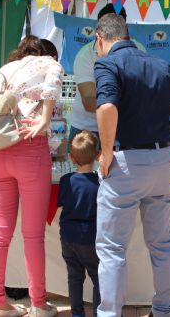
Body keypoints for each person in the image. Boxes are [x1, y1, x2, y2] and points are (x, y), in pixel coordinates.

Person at [93, 14, 170, 317]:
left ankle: (109, 314)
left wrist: (105, 153)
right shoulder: (160, 65)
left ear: (100, 39)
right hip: (160, 163)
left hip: (126, 164)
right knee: (161, 243)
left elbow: (105, 107)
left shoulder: (107, 64)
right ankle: (163, 310)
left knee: (113, 249)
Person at [0, 35, 63, 317]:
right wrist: (45, 117)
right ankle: (39, 303)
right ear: (46, 53)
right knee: (32, 235)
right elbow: (54, 78)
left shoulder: (3, 71)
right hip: (30, 149)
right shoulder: (47, 63)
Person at [69, 4, 145, 143]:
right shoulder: (86, 54)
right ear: (99, 28)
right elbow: (88, 100)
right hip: (87, 127)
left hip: (122, 126)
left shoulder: (138, 49)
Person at [57, 131, 101, 317]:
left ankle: (77, 313)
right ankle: (100, 312)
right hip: (90, 237)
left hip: (68, 237)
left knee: (74, 277)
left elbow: (61, 203)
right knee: (99, 278)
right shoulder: (101, 182)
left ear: (72, 158)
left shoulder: (65, 181)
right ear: (98, 155)